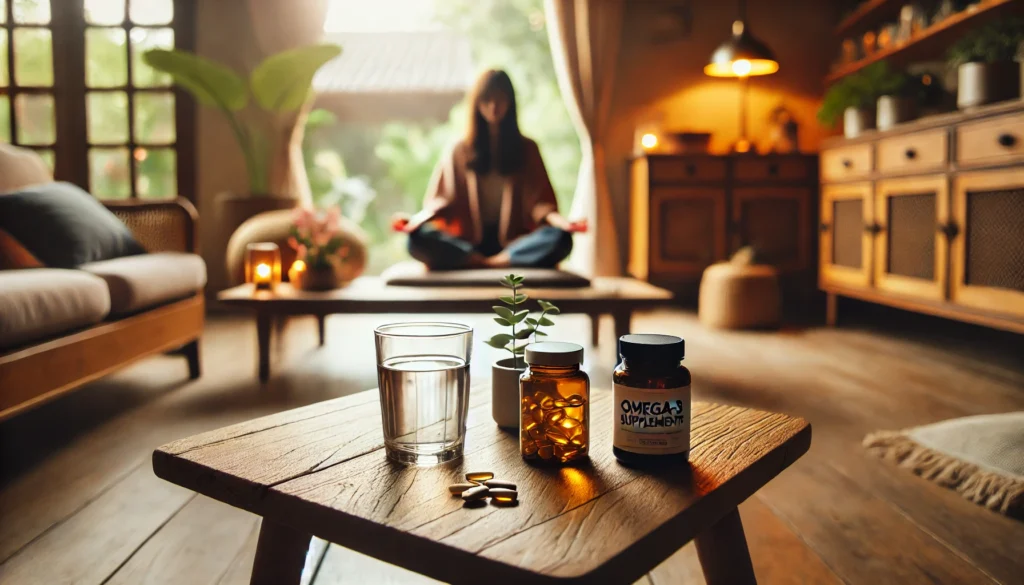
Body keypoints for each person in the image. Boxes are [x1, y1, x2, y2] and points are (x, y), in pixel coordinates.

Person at [392, 69, 587, 270]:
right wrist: (415, 221)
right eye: (487, 100)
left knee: (561, 239)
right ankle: (474, 258)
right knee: (415, 239)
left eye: (500, 99)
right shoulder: (459, 149)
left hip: (515, 243)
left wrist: (564, 224)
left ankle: (495, 261)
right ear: (476, 103)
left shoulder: (527, 148)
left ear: (510, 102)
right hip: (466, 242)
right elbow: (441, 201)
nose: (494, 107)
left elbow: (541, 204)